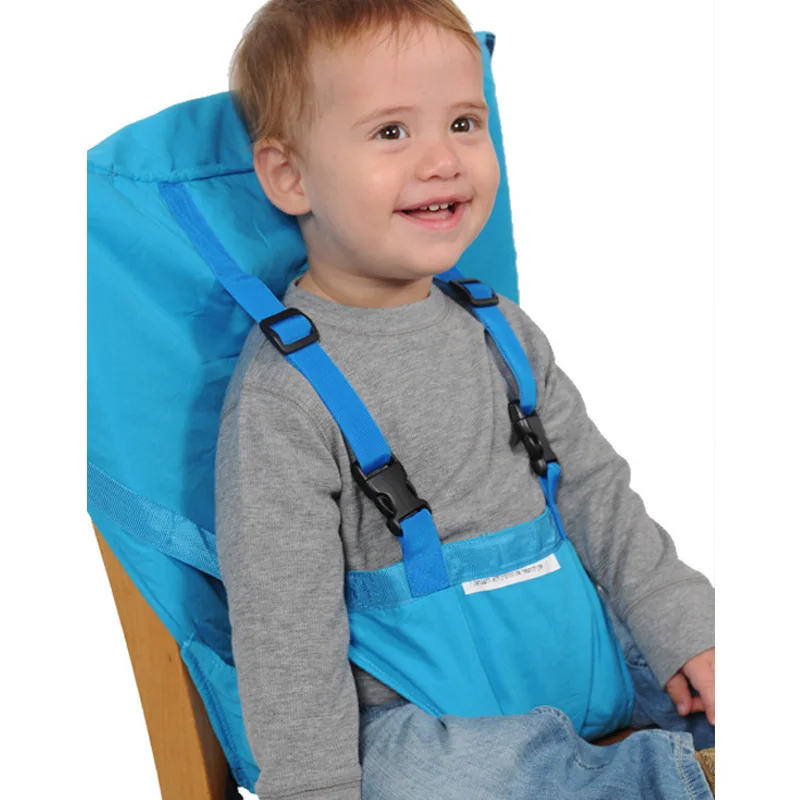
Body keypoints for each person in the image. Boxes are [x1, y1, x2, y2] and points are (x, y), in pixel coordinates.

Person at [214, 1, 715, 798]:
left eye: (463, 123)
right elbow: (287, 626)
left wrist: (689, 634)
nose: (443, 159)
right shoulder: (284, 399)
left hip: (578, 656)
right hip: (427, 722)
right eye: (391, 131)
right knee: (430, 781)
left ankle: (631, 771)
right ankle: (661, 778)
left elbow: (595, 493)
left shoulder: (498, 327)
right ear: (290, 176)